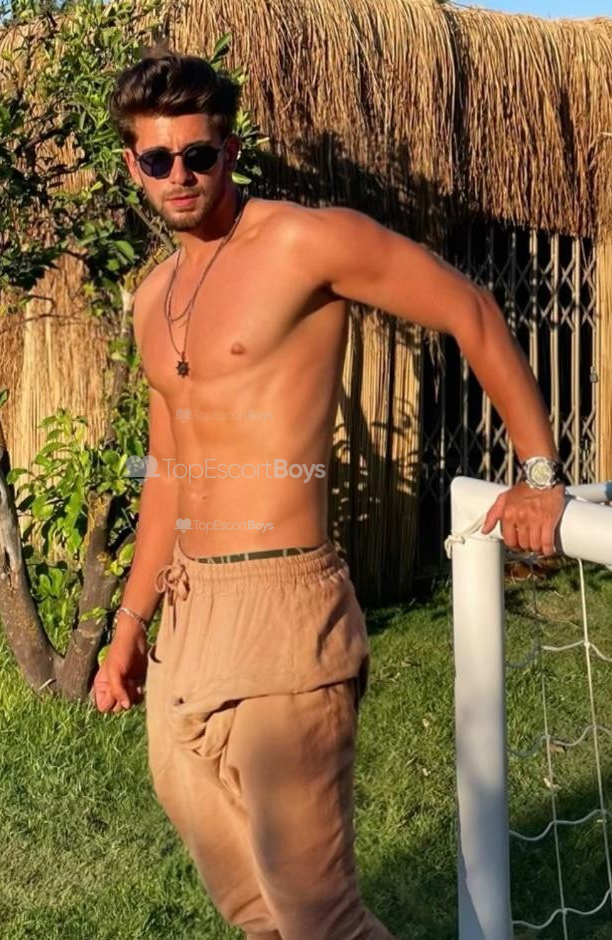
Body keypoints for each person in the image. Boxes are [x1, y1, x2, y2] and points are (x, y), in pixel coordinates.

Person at [92, 45, 566, 939]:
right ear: (133, 164)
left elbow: (469, 310)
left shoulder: (305, 241)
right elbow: (168, 472)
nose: (179, 175)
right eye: (158, 159)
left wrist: (540, 473)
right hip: (186, 628)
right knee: (251, 910)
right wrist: (129, 628)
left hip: (282, 607)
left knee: (318, 917)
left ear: (231, 151)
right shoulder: (152, 298)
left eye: (199, 154)